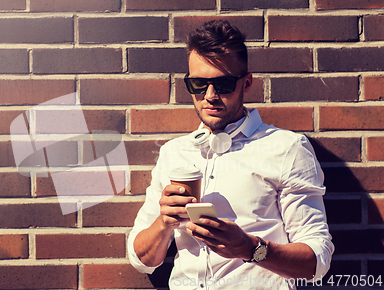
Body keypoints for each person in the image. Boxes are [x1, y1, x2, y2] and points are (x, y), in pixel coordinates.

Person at [127, 20, 334, 290]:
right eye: (199, 83)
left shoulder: (287, 148)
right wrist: (164, 223)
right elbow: (141, 259)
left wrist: (250, 248)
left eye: (223, 84)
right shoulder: (174, 152)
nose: (210, 96)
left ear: (246, 83)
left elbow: (317, 262)